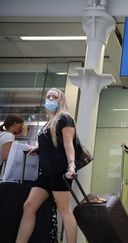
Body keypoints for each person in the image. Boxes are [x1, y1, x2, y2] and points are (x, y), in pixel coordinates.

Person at [16, 88, 78, 243]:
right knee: (29, 206)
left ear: (61, 100)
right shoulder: (49, 122)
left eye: (54, 96)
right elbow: (52, 143)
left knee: (65, 211)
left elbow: (68, 144)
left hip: (59, 171)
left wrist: (71, 165)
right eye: (48, 96)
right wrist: (39, 148)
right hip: (46, 172)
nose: (50, 99)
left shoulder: (65, 118)